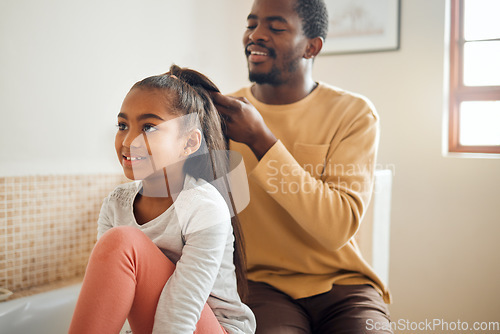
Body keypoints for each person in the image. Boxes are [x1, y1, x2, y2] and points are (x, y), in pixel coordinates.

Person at [211, 0, 392, 332]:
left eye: (276, 27)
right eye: (251, 25)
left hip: (344, 285)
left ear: (312, 47)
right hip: (260, 285)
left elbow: (336, 227)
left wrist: (260, 140)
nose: (256, 35)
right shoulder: (223, 115)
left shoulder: (353, 114)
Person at [69, 65, 256, 334]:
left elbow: (180, 312)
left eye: (149, 127)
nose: (129, 140)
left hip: (213, 327)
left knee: (124, 242)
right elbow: (115, 299)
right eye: (123, 125)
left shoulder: (204, 206)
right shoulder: (116, 204)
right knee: (120, 243)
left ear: (189, 143)